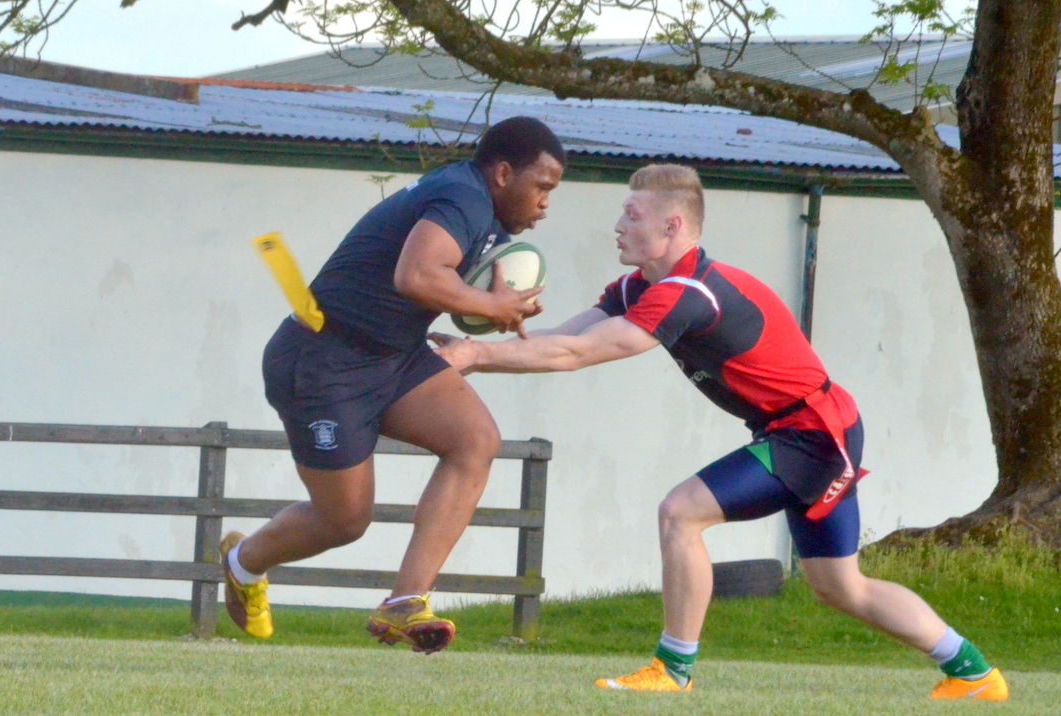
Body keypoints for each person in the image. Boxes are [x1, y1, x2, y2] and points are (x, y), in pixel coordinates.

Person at [432, 164, 1007, 699]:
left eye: (632, 214)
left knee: (680, 513)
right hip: (808, 429)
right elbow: (568, 336)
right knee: (839, 587)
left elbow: (577, 355)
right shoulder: (639, 287)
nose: (619, 225)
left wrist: (476, 355)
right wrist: (474, 340)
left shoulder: (689, 294)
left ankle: (672, 669)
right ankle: (975, 673)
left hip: (812, 433)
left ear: (672, 226)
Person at [222, 116, 563, 653]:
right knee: (344, 520)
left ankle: (404, 601)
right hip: (324, 360)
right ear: (502, 174)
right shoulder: (463, 196)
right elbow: (417, 276)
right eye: (542, 186)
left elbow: (445, 284)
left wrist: (490, 307)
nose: (545, 203)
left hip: (394, 355)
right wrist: (490, 304)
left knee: (475, 440)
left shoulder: (488, 216)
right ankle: (244, 562)